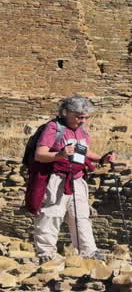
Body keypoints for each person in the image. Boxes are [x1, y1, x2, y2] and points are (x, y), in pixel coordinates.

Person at [25, 95, 116, 263]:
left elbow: (85, 152)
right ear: (65, 112)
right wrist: (60, 154)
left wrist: (102, 159)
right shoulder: (54, 128)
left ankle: (88, 252)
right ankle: (46, 253)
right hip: (56, 179)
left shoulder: (80, 131)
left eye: (85, 117)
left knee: (81, 216)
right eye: (79, 117)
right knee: (51, 215)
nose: (82, 121)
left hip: (77, 178)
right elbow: (40, 154)